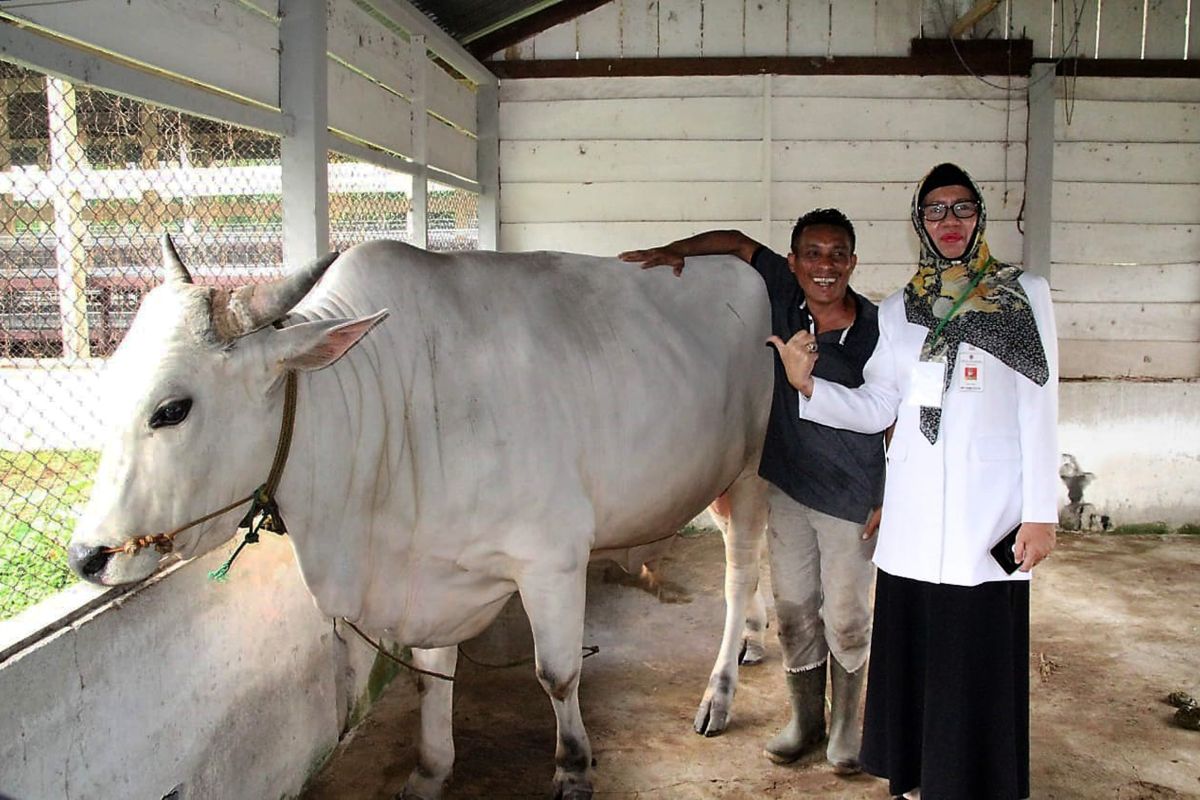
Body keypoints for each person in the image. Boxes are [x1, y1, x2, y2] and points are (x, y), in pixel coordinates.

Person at [773, 163, 1058, 799]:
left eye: (960, 208)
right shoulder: (902, 309)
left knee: (974, 652)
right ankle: (922, 777)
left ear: (979, 215)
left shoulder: (1023, 293)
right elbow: (880, 404)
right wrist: (809, 385)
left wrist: (1041, 512)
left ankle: (977, 781)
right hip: (916, 514)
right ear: (919, 223)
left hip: (989, 513)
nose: (949, 221)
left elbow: (1040, 404)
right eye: (935, 210)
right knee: (920, 649)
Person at [619, 209, 886, 776]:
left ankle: (845, 727)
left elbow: (894, 417)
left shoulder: (877, 330)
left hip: (849, 498)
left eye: (838, 254)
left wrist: (890, 494)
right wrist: (675, 249)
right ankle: (805, 721)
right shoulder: (786, 295)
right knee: (792, 610)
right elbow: (738, 243)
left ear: (853, 263)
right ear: (793, 263)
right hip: (788, 489)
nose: (825, 266)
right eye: (812, 253)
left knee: (844, 615)